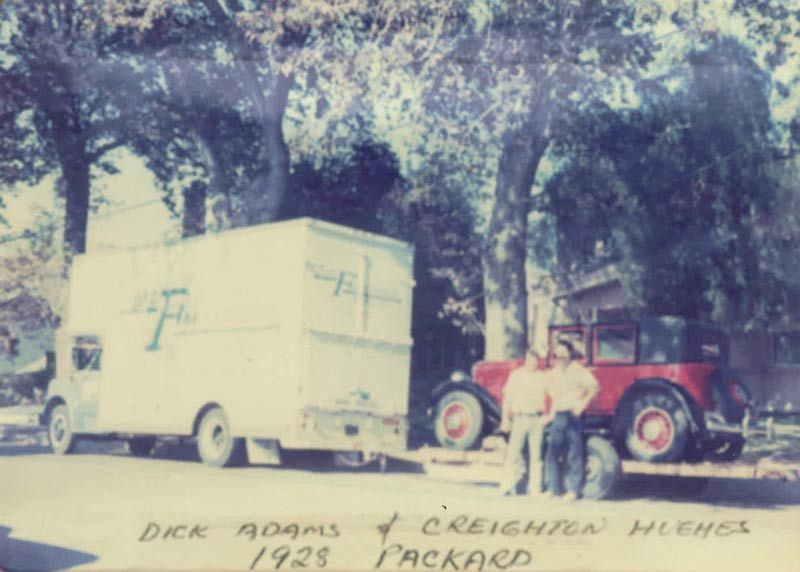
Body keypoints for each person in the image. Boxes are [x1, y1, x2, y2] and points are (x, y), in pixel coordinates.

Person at [544, 339, 599, 501]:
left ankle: (573, 491)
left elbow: (594, 387)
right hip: (559, 415)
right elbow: (554, 395)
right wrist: (550, 415)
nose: (560, 356)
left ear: (570, 353)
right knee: (552, 451)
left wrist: (582, 404)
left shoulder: (578, 370)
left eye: (563, 353)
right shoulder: (555, 372)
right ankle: (552, 489)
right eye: (557, 353)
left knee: (575, 452)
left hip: (574, 415)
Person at [499, 347, 553, 497]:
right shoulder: (516, 376)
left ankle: (535, 488)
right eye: (531, 360)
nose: (533, 363)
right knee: (513, 454)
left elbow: (555, 394)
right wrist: (505, 419)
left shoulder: (543, 377)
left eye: (536, 360)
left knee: (536, 456)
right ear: (526, 360)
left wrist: (550, 416)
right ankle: (507, 485)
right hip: (520, 419)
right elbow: (507, 399)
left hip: (537, 420)